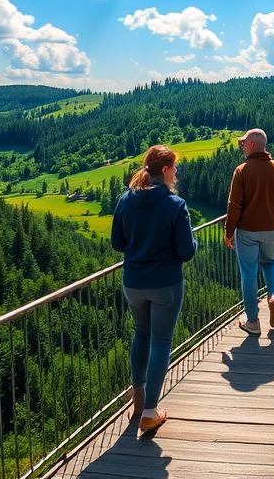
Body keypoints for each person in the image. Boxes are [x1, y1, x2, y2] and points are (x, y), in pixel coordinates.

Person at [111, 145, 196, 435]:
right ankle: (150, 412)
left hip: (133, 282)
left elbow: (118, 244)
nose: (176, 172)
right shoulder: (175, 205)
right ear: (164, 170)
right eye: (174, 167)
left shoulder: (126, 199)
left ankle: (137, 401)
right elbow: (186, 252)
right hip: (165, 283)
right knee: (160, 342)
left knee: (140, 335)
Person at [224, 128, 274, 335]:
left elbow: (234, 205)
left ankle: (253, 322)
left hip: (247, 231)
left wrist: (228, 233)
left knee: (249, 273)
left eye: (243, 142)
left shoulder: (242, 171)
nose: (242, 146)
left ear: (252, 144)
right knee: (270, 263)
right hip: (271, 228)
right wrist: (273, 212)